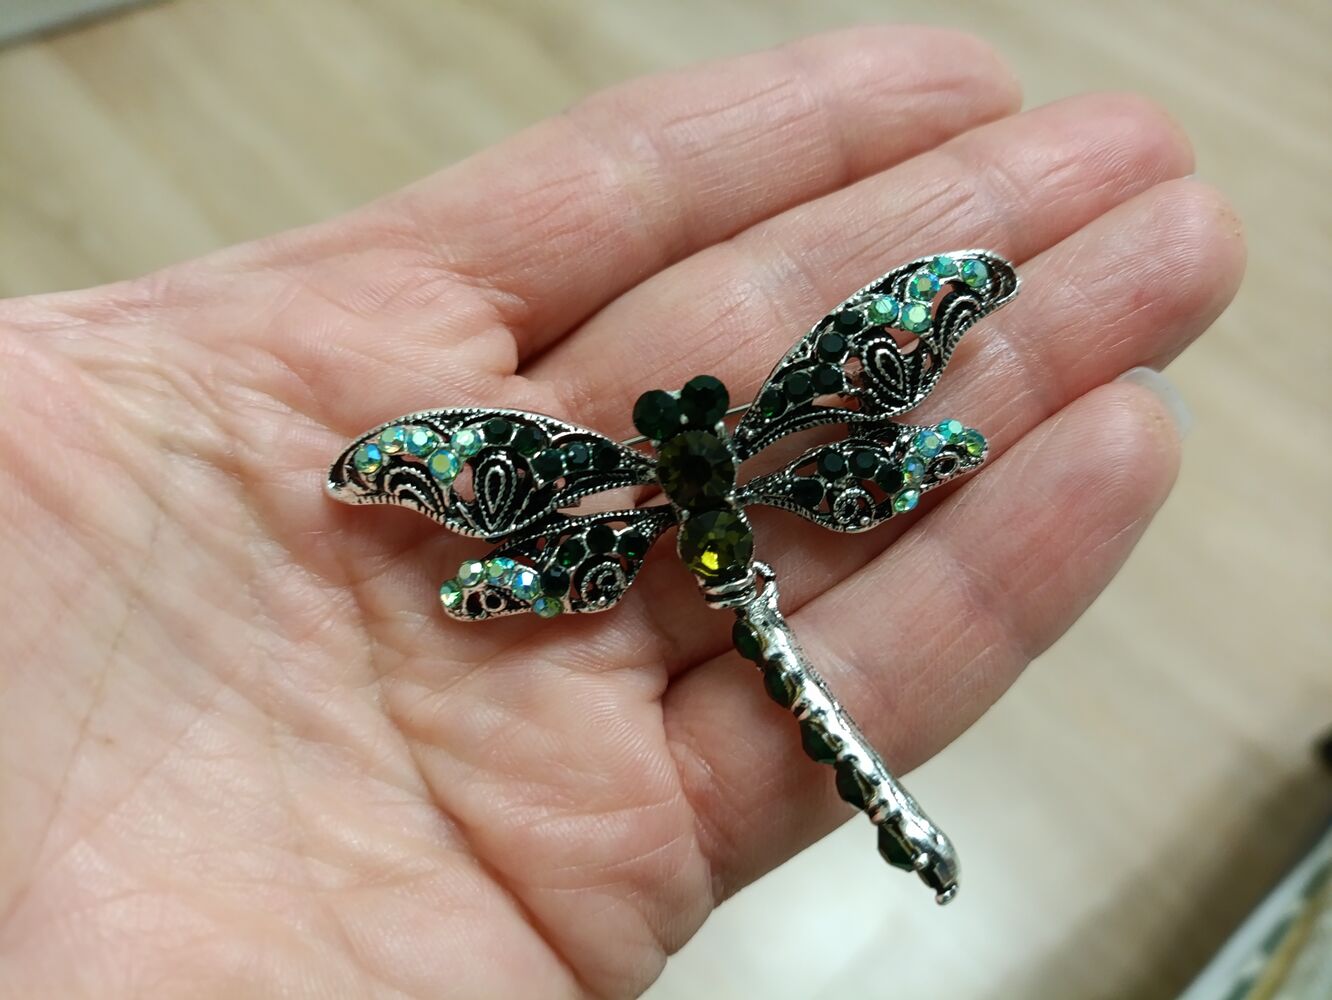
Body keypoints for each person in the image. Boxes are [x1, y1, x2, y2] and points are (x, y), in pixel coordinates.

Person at [0, 25, 1243, 1000]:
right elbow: (478, 566)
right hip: (771, 520)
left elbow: (500, 550)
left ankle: (892, 815)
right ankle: (900, 817)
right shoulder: (765, 428)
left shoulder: (621, 480)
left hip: (723, 538)